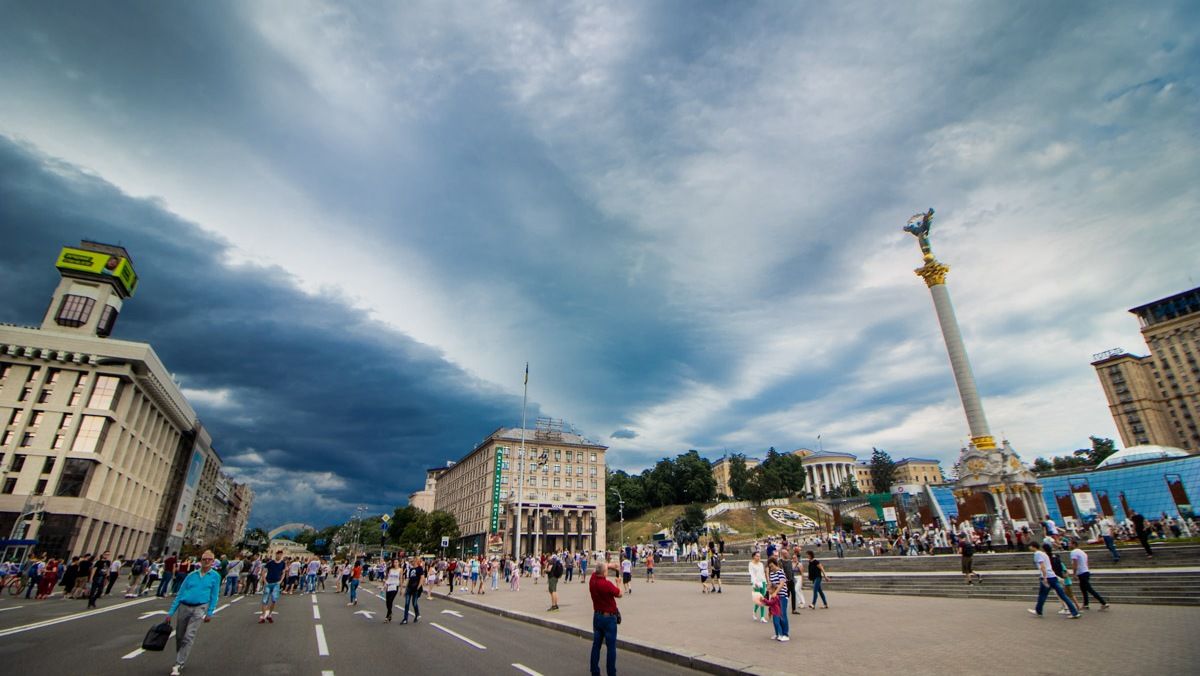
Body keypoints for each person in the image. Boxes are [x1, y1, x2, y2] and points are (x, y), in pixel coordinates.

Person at [167, 549, 220, 676]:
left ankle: (179, 662)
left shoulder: (215, 577)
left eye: (209, 559)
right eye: (204, 559)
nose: (206, 561)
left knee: (189, 635)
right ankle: (181, 655)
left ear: (213, 562)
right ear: (200, 561)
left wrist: (210, 612)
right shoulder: (191, 575)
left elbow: (214, 595)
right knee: (180, 635)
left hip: (200, 607)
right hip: (184, 606)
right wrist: (170, 612)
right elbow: (180, 594)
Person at [1027, 543, 1079, 619]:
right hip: (1052, 576)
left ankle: (1039, 611)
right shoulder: (1043, 554)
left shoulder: (1037, 554)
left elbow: (1042, 566)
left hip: (1047, 577)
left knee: (1042, 595)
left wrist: (1044, 578)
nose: (1029, 547)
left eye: (1030, 546)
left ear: (1033, 547)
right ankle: (1074, 612)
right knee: (1062, 595)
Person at [589, 561, 622, 676]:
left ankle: (594, 671)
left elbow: (596, 570)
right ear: (604, 573)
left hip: (597, 616)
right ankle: (611, 673)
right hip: (609, 619)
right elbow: (620, 594)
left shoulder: (592, 580)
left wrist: (609, 565)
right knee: (611, 648)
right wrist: (618, 583)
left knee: (596, 645)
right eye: (607, 570)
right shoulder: (607, 584)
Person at [1069, 539, 1110, 611]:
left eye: (1070, 543)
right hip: (1086, 571)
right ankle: (1086, 604)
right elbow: (1086, 563)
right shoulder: (1082, 552)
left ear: (1074, 544)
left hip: (1081, 572)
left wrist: (1074, 573)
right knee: (1083, 589)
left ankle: (1103, 603)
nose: (1069, 545)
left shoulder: (1073, 552)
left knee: (1089, 589)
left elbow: (1075, 563)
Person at [258, 550, 287, 624]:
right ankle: (263, 615)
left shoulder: (283, 563)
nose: (279, 556)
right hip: (269, 582)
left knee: (274, 600)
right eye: (278, 554)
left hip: (276, 583)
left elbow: (284, 572)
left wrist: (280, 581)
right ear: (276, 554)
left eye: (281, 554)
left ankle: (269, 614)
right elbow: (263, 572)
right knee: (265, 600)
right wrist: (265, 581)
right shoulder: (270, 563)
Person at [766, 557, 790, 641]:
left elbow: (782, 583)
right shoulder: (772, 573)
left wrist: (776, 591)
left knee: (782, 614)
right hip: (774, 596)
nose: (771, 568)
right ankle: (778, 633)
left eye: (772, 566)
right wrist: (769, 588)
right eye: (770, 567)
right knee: (775, 614)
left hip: (782, 596)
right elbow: (772, 584)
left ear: (775, 564)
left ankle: (785, 634)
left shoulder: (780, 571)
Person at [402, 556, 424, 624]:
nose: (412, 562)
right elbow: (409, 579)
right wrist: (405, 588)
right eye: (412, 561)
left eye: (413, 561)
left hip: (415, 588)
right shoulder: (411, 569)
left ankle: (417, 614)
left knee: (414, 603)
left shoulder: (420, 568)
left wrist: (418, 587)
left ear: (417, 561)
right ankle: (405, 619)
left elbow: (422, 578)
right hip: (409, 588)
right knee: (406, 603)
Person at [749, 552, 767, 622]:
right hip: (756, 583)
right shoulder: (751, 564)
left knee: (762, 599)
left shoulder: (761, 564)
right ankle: (754, 610)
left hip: (762, 582)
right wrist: (754, 582)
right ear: (753, 557)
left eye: (759, 556)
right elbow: (752, 574)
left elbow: (763, 574)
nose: (758, 557)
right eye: (757, 556)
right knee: (758, 599)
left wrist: (765, 582)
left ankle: (762, 617)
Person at [780, 549, 798, 614]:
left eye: (787, 553)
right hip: (785, 582)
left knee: (793, 594)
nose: (788, 554)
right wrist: (784, 580)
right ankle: (782, 609)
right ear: (783, 554)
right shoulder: (781, 561)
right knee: (786, 595)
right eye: (786, 553)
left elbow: (791, 570)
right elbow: (781, 571)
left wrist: (793, 578)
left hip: (791, 580)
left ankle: (794, 609)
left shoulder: (790, 561)